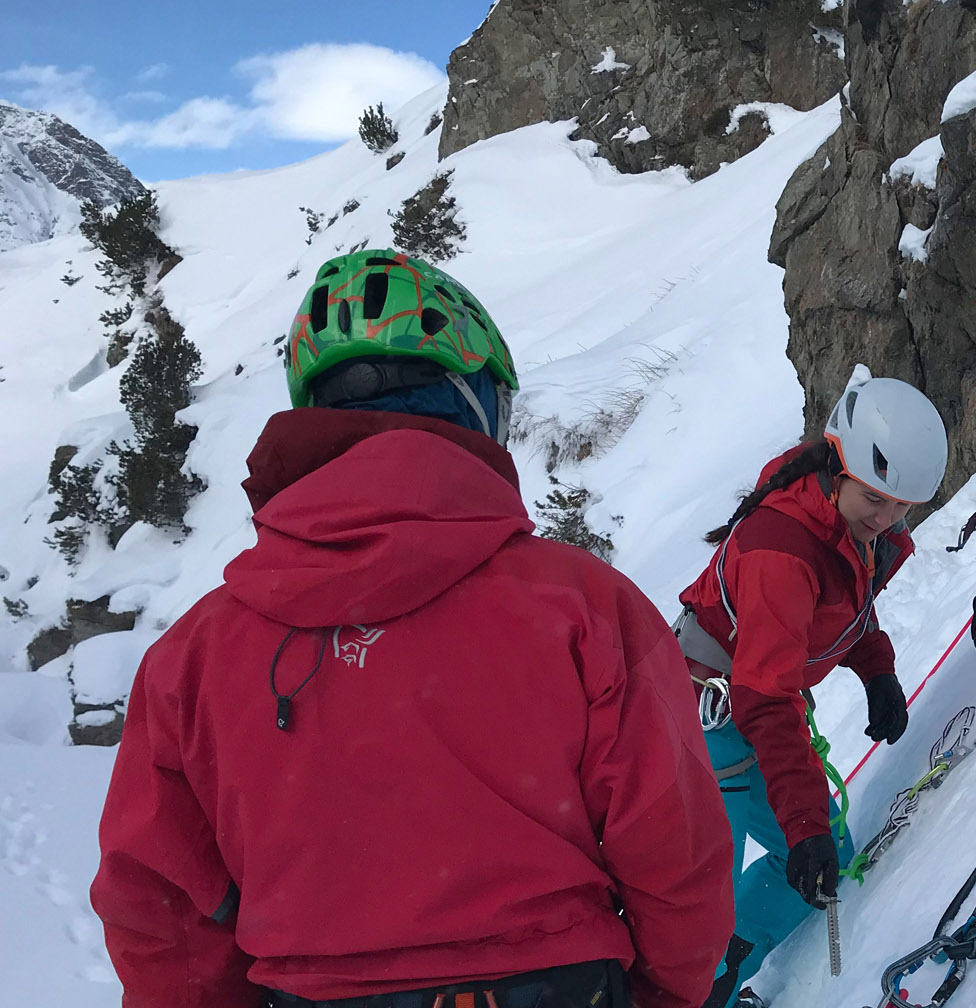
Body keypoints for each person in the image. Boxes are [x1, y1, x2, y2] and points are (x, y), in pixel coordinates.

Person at [89, 249, 734, 1008]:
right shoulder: (584, 606)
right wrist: (664, 993)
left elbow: (158, 907)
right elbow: (676, 850)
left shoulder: (192, 659)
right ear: (473, 406)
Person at [676, 374, 947, 1008]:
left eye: (903, 506)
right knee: (693, 908)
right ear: (839, 466)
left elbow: (843, 609)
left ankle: (720, 973)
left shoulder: (854, 527)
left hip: (749, 720)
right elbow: (767, 700)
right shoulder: (783, 553)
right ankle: (693, 983)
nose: (887, 519)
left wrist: (876, 669)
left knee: (825, 857)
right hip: (704, 734)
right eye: (877, 500)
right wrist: (801, 823)